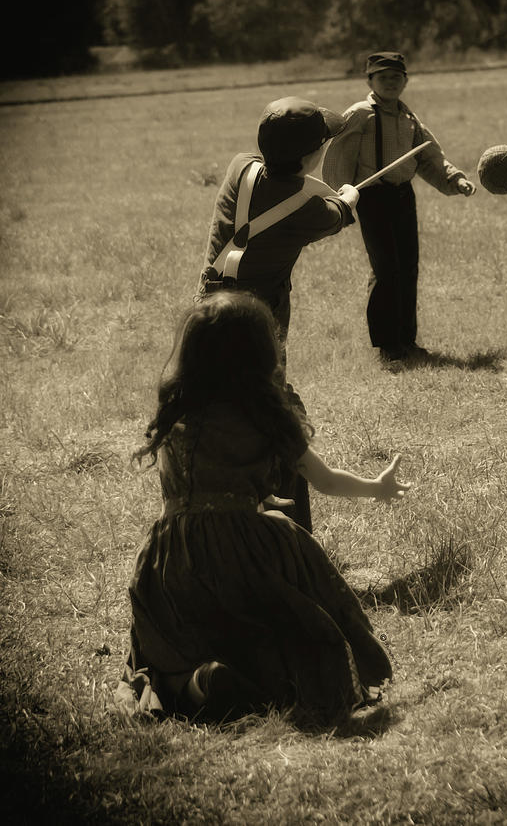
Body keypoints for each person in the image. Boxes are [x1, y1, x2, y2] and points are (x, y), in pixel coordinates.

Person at [116, 292, 410, 727]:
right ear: (261, 355)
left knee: (169, 645)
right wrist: (375, 487)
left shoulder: (178, 415)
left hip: (170, 559)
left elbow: (182, 499)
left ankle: (196, 683)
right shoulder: (267, 419)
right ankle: (256, 679)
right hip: (242, 557)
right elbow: (326, 481)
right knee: (286, 620)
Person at [198, 96, 360, 532]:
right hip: (256, 326)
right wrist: (348, 194)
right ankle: (290, 536)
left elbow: (275, 180)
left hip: (207, 312)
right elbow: (337, 212)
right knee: (273, 416)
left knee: (217, 410)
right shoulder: (308, 211)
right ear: (311, 155)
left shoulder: (239, 166)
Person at [322, 51, 476, 364]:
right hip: (374, 198)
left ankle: (408, 340)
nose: (390, 83)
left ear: (405, 80)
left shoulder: (409, 119)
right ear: (369, 80)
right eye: (383, 77)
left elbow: (430, 156)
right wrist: (341, 199)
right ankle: (387, 345)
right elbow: (339, 158)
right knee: (385, 269)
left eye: (396, 77)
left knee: (407, 269)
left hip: (403, 197)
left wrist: (455, 180)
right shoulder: (359, 115)